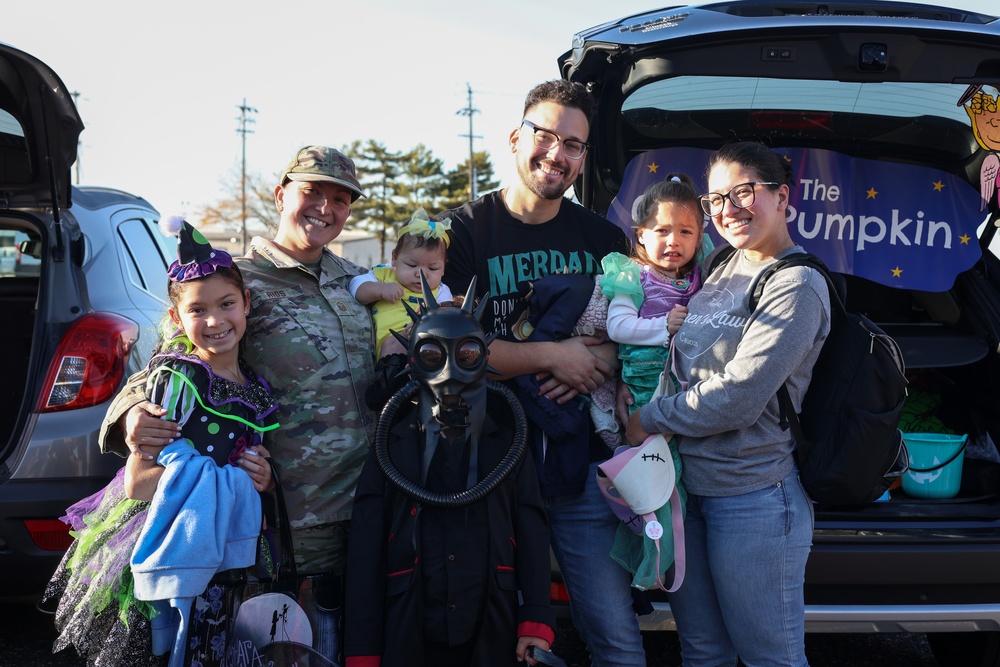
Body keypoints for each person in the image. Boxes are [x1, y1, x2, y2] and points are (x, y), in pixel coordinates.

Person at [98, 145, 377, 663]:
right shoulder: (235, 282)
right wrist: (132, 413)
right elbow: (165, 363)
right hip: (290, 518)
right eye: (312, 191)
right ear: (281, 194)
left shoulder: (356, 284)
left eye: (340, 199)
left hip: (368, 508)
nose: (325, 207)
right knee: (290, 649)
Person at [441, 79, 646, 666]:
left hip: (581, 467)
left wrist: (603, 357)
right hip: (486, 466)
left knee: (613, 634)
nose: (557, 154)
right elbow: (452, 351)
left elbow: (638, 337)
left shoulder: (605, 239)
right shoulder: (462, 231)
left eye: (573, 145)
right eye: (547, 135)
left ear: (584, 158)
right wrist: (553, 356)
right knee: (485, 630)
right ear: (516, 137)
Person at [625, 141, 831, 667]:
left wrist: (648, 418)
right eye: (717, 199)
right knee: (703, 651)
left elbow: (738, 396)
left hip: (753, 499)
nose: (728, 210)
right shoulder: (718, 265)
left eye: (744, 192)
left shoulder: (797, 284)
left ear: (782, 197)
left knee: (771, 658)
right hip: (687, 493)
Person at [45, 217, 277, 667]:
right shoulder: (179, 378)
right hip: (175, 540)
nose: (214, 321)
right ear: (175, 317)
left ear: (246, 303)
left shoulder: (257, 388)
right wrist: (215, 477)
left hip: (226, 551)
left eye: (226, 303)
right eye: (197, 310)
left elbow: (253, 462)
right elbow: (140, 483)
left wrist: (260, 477)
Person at [344, 284, 555, 666]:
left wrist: (536, 618)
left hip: (491, 624)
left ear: (485, 356)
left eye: (468, 353)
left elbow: (532, 530)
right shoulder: (389, 449)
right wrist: (363, 649)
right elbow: (365, 551)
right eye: (432, 354)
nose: (450, 371)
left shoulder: (507, 446)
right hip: (410, 625)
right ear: (412, 359)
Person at [600, 173, 706, 412]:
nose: (673, 241)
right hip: (645, 383)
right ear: (641, 234)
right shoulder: (633, 275)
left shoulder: (704, 276)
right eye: (662, 230)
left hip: (693, 387)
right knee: (653, 448)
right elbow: (618, 326)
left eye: (685, 232)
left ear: (699, 238)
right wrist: (664, 327)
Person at [349, 207, 453, 357]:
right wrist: (381, 289)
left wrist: (426, 324)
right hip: (383, 350)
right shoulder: (383, 275)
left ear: (443, 268)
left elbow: (448, 317)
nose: (421, 274)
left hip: (425, 348)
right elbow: (356, 288)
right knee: (394, 343)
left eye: (433, 268)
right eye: (412, 265)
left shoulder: (441, 291)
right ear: (395, 258)